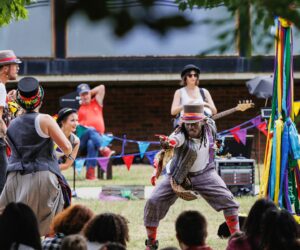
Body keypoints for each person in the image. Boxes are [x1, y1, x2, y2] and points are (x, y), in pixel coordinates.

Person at [144, 104, 239, 250]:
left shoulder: (210, 127)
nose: (190, 127)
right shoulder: (180, 133)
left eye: (194, 123)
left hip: (205, 173)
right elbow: (174, 140)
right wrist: (168, 143)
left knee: (229, 202)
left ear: (203, 122)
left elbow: (216, 140)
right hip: (177, 175)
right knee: (153, 201)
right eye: (187, 124)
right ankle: (151, 243)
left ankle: (237, 239)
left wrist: (217, 144)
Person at [0, 77, 72, 236]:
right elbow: (66, 147)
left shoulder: (13, 123)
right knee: (44, 226)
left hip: (13, 178)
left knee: (15, 226)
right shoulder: (45, 119)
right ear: (40, 98)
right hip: (40, 176)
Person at [77, 83, 115, 180]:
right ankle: (104, 149)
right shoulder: (78, 109)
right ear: (79, 96)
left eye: (86, 94)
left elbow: (102, 87)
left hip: (96, 139)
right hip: (81, 141)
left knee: (91, 143)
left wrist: (89, 92)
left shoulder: (96, 103)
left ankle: (90, 174)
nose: (85, 96)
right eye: (82, 94)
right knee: (90, 129)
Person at [0, 50, 21, 195]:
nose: (18, 68)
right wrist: (10, 139)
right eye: (15, 65)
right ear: (5, 68)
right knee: (4, 182)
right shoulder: (0, 86)